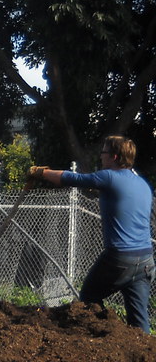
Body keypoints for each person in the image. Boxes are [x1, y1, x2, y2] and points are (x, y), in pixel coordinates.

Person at [32, 136, 154, 333]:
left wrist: (42, 172)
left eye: (103, 153)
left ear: (114, 157)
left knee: (89, 296)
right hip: (146, 260)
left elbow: (73, 179)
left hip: (119, 258)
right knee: (139, 320)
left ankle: (101, 341)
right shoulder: (142, 184)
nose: (101, 156)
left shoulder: (109, 176)